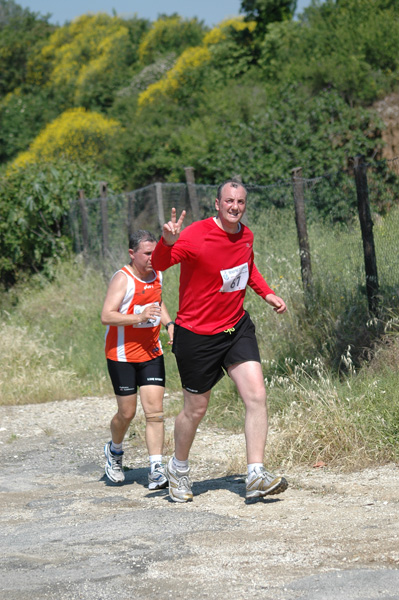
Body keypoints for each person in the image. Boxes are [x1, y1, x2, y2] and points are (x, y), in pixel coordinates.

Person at [151, 179, 288, 503]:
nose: (235, 207)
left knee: (256, 395)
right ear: (217, 203)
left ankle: (255, 474)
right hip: (196, 335)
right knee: (195, 409)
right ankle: (178, 469)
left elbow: (247, 269)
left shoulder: (246, 235)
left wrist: (266, 293)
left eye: (240, 202)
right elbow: (159, 264)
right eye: (229, 201)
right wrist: (166, 241)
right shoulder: (195, 235)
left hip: (235, 328)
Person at [101, 229, 175, 489]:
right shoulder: (123, 279)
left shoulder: (159, 274)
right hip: (122, 355)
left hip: (151, 352)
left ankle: (156, 469)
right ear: (132, 254)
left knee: (155, 412)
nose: (152, 258)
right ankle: (114, 451)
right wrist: (138, 318)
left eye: (155, 252)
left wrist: (169, 324)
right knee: (127, 412)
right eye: (147, 253)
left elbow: (158, 302)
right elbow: (107, 316)